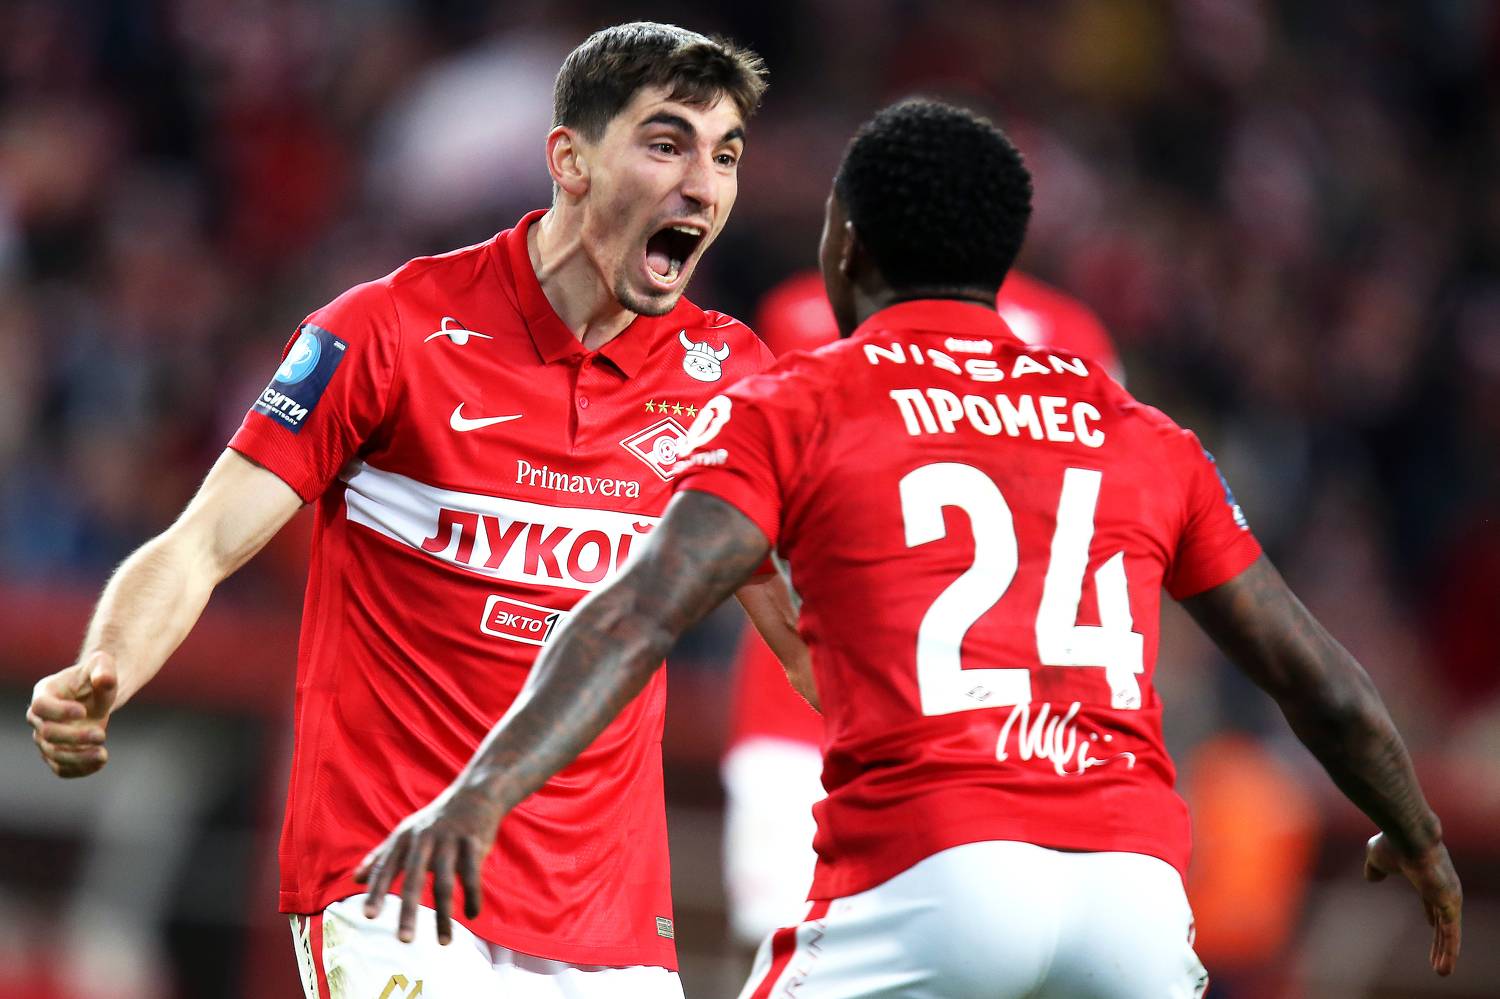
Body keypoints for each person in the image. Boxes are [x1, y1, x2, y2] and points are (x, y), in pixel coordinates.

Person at [353, 99, 1462, 997]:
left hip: (932, 868)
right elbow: (1316, 676)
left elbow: (639, 613)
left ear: (846, 241)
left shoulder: (796, 398)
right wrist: (1415, 832)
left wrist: (482, 791)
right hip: (1131, 891)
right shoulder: (1143, 429)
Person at [25, 21, 801, 999]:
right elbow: (201, 543)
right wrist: (105, 667)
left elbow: (803, 633)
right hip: (389, 884)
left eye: (725, 155)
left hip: (606, 920)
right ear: (569, 160)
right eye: (666, 144)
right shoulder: (389, 330)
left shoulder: (729, 375)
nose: (703, 185)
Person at [724, 266, 1123, 946]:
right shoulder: (1069, 334)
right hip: (967, 717)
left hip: (842, 701)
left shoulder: (809, 308)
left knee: (798, 953)